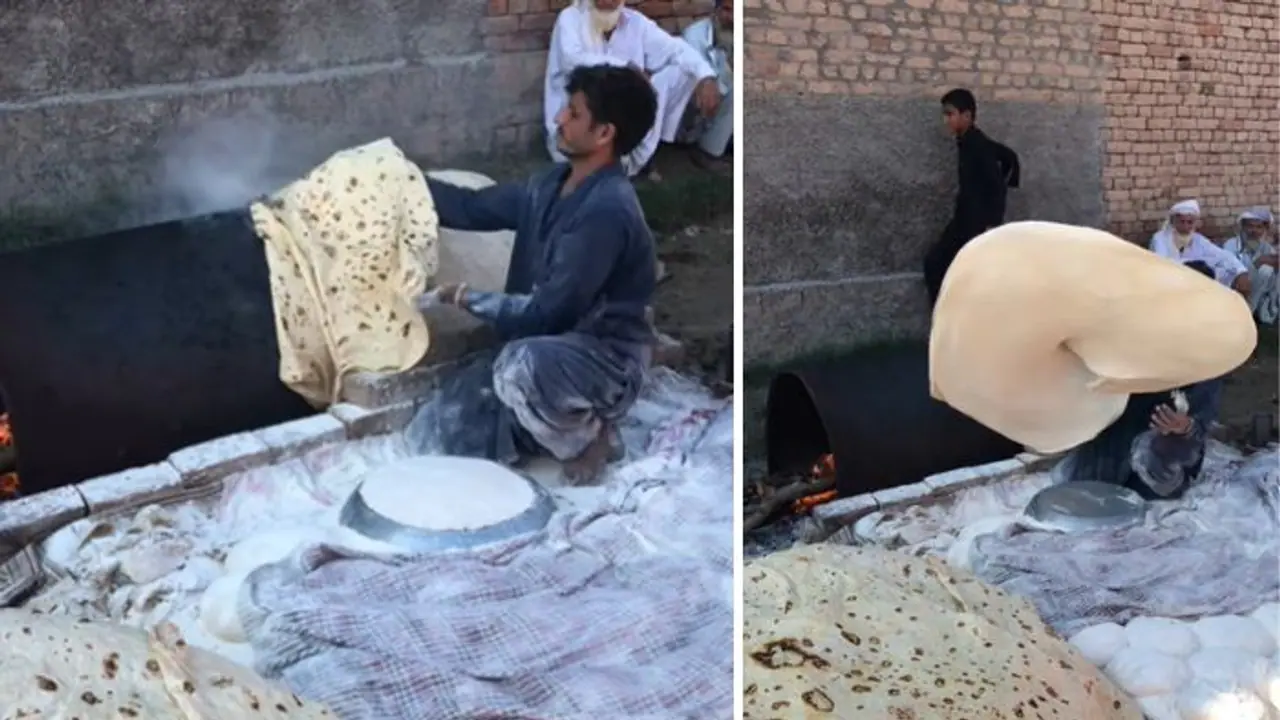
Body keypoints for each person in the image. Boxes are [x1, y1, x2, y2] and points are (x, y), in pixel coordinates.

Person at [421, 64, 659, 483]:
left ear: (604, 134)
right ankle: (547, 425)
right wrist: (404, 181)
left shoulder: (605, 212)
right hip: (548, 346)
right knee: (448, 428)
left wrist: (466, 297)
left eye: (573, 112)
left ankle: (591, 435)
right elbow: (472, 207)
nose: (558, 119)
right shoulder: (549, 185)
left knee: (517, 368)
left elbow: (550, 312)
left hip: (603, 361)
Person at [1050, 259, 1226, 501]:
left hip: (1166, 445)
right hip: (1124, 425)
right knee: (1088, 490)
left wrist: (1183, 426)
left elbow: (1202, 420)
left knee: (1145, 494)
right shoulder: (1146, 329)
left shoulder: (1212, 352)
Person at [543, 0, 723, 180]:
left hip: (620, 131)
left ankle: (641, 155)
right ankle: (612, 165)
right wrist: (626, 67)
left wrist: (706, 76)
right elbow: (572, 60)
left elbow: (676, 49)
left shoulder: (635, 22)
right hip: (575, 132)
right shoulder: (570, 18)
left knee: (683, 71)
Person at [923, 88, 1021, 306]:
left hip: (975, 225)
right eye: (945, 114)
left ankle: (949, 321)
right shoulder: (969, 140)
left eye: (950, 114)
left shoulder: (976, 144)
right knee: (937, 264)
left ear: (966, 116)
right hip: (964, 220)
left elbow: (997, 186)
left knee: (941, 266)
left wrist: (992, 224)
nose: (946, 119)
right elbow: (1007, 155)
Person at [1148, 199, 1251, 298]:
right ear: (1173, 221)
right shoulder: (1160, 238)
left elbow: (1222, 255)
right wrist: (1192, 266)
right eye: (1181, 222)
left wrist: (1241, 271)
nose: (1185, 226)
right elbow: (1163, 263)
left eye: (1189, 222)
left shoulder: (1198, 240)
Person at [679, 0, 734, 163]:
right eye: (727, 10)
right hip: (695, 98)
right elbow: (698, 79)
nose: (732, 18)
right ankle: (708, 152)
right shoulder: (694, 34)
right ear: (715, 10)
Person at [1221, 206, 1278, 324]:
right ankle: (1246, 315)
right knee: (1265, 269)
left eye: (1259, 227)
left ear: (1264, 229)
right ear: (1243, 227)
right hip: (1234, 292)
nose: (1254, 231)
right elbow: (1229, 275)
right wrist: (1258, 263)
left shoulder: (1267, 248)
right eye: (1250, 226)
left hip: (1260, 295)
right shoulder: (1231, 245)